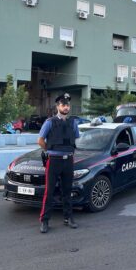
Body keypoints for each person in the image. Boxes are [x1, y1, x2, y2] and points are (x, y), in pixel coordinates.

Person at [38, 93, 80, 233]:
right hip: (54, 161)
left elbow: (75, 139)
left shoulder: (73, 122)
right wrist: (49, 150)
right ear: (58, 106)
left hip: (68, 160)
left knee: (67, 191)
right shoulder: (49, 122)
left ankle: (68, 218)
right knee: (49, 192)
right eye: (63, 105)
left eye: (68, 105)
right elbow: (40, 140)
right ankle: (44, 221)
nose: (66, 107)